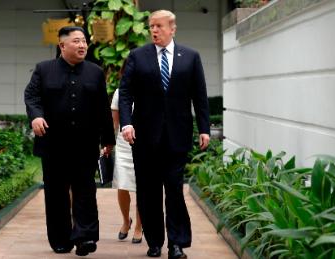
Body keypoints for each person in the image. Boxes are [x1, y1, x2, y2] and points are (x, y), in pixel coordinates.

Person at [119, 10, 210, 259]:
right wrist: (126, 123)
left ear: (173, 28)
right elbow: (125, 93)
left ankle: (177, 244)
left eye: (159, 26)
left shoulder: (191, 57)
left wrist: (204, 128)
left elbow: (199, 96)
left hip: (176, 137)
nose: (154, 31)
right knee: (148, 192)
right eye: (151, 27)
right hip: (144, 138)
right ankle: (155, 241)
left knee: (174, 190)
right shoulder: (138, 56)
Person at [24, 26, 115, 257]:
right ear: (62, 45)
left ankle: (85, 237)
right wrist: (36, 116)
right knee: (56, 193)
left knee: (85, 190)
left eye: (84, 41)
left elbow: (103, 108)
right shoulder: (44, 70)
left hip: (85, 144)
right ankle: (61, 239)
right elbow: (32, 96)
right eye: (76, 41)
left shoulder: (95, 72)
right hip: (53, 144)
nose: (82, 45)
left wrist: (107, 139)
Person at [110, 88, 143, 244]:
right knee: (122, 186)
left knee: (142, 187)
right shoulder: (120, 92)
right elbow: (115, 122)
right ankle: (125, 221)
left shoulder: (152, 86)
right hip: (123, 144)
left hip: (145, 142)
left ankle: (138, 226)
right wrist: (107, 143)